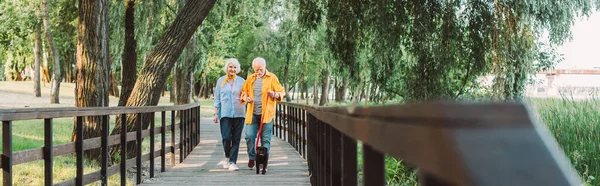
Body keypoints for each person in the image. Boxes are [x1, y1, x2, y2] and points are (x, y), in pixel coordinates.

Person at [240, 57, 285, 171]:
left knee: (265, 139)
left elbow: (281, 91)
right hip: (253, 113)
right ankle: (252, 157)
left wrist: (274, 94)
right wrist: (246, 98)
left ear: (265, 67)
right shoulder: (250, 79)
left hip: (267, 115)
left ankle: (263, 162)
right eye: (256, 70)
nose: (258, 72)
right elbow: (243, 92)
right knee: (249, 137)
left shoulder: (272, 78)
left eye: (260, 69)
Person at [213, 58, 246, 171]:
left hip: (239, 113)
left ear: (237, 69)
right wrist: (216, 113)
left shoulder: (242, 81)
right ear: (227, 68)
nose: (232, 69)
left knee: (236, 139)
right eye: (230, 67)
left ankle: (233, 162)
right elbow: (217, 98)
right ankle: (227, 156)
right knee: (226, 137)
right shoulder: (221, 81)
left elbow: (246, 95)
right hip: (225, 113)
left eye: (235, 67)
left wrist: (245, 98)